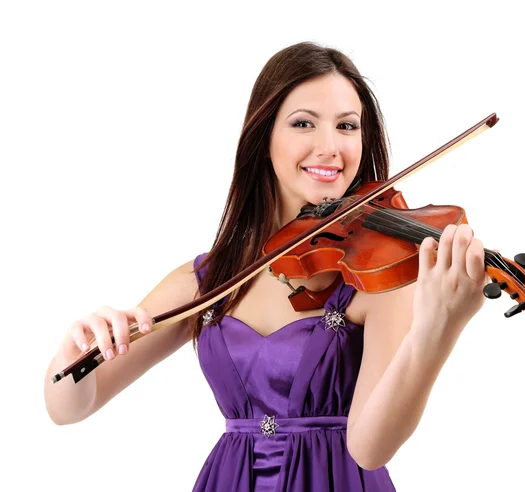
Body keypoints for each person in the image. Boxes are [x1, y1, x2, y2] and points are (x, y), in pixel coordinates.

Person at [44, 41, 487, 491]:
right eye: (303, 124)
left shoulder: (377, 275)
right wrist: (72, 352)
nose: (329, 147)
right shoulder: (207, 280)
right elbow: (72, 405)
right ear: (264, 140)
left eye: (347, 126)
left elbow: (370, 448)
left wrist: (439, 329)